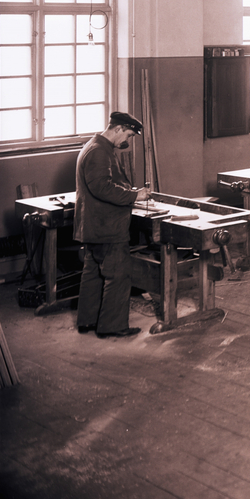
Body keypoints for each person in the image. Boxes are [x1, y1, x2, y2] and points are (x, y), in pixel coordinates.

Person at [74, 111, 152, 338]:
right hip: (107, 226)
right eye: (128, 135)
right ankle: (112, 326)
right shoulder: (99, 152)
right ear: (118, 128)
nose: (127, 141)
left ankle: (87, 321)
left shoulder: (94, 146)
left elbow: (103, 183)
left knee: (93, 274)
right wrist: (135, 195)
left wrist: (128, 191)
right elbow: (102, 187)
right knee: (118, 275)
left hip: (93, 225)